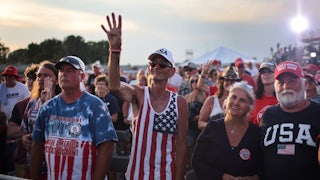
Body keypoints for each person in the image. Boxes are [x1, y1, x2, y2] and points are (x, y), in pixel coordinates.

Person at [102, 13, 188, 180]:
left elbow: (182, 145)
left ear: (171, 72)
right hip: (137, 175)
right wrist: (115, 51)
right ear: (148, 69)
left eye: (162, 64)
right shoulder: (139, 94)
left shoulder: (179, 102)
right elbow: (113, 85)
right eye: (152, 64)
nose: (156, 67)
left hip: (167, 176)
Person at [30, 56, 118, 180]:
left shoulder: (95, 106)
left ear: (82, 76)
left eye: (70, 70)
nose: (64, 74)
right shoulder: (48, 107)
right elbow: (37, 145)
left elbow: (107, 146)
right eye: (61, 70)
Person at [260, 61, 320, 180]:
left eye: (292, 81)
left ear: (305, 84)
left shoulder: (317, 112)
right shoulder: (268, 115)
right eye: (281, 83)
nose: (286, 87)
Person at [192, 82, 261, 180]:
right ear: (227, 100)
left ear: (249, 107)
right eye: (233, 97)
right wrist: (220, 177)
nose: (236, 102)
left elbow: (263, 166)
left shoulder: (256, 133)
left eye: (242, 100)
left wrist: (253, 178)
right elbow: (197, 162)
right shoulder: (212, 128)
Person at [20, 60, 61, 179]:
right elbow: (24, 128)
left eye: (47, 76)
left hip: (53, 164)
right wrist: (24, 138)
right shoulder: (33, 103)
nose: (41, 78)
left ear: (57, 80)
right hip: (32, 162)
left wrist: (47, 103)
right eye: (39, 76)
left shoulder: (63, 103)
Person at [6, 63, 39, 178]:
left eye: (34, 78)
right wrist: (30, 132)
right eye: (29, 78)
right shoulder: (20, 105)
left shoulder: (54, 103)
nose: (30, 81)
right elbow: (10, 131)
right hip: (22, 158)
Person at [0, 65, 30, 175]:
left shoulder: (22, 88)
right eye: (6, 76)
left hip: (18, 124)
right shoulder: (1, 88)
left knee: (15, 150)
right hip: (4, 126)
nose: (8, 78)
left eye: (11, 76)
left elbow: (27, 105)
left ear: (15, 77)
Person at [198, 65, 240, 130]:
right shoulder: (212, 100)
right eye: (227, 80)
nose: (229, 83)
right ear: (222, 82)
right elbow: (200, 123)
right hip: (213, 138)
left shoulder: (240, 102)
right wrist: (213, 125)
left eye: (232, 81)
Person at [249, 61, 278, 126]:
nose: (266, 74)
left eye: (269, 71)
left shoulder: (282, 98)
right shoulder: (253, 99)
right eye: (263, 72)